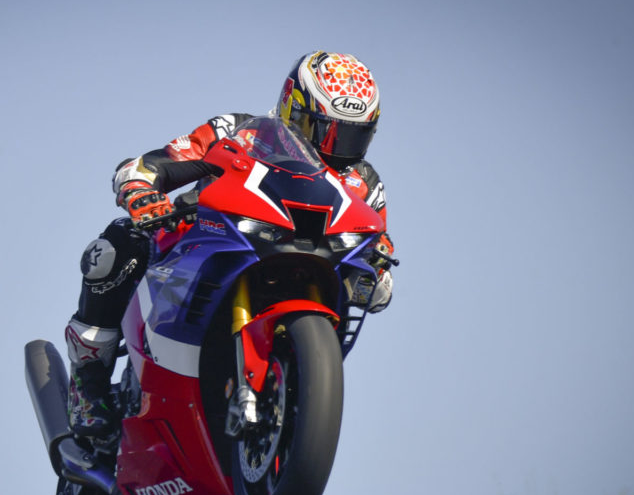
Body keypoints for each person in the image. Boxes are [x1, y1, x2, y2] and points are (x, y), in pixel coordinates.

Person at [64, 51, 395, 437]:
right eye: (326, 131)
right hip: (212, 240)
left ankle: (289, 394)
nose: (336, 148)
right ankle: (88, 383)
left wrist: (379, 268)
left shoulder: (364, 183)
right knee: (116, 247)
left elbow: (378, 244)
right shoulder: (239, 131)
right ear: (294, 107)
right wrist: (141, 190)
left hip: (308, 275)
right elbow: (152, 164)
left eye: (352, 136)